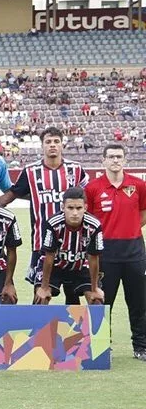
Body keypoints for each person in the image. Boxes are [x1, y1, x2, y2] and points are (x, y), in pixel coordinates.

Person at [0, 127, 87, 302]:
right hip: (41, 243)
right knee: (40, 296)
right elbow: (12, 195)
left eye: (56, 141)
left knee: (73, 296)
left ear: (62, 145)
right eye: (48, 142)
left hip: (74, 243)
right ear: (42, 146)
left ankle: (75, 330)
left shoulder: (76, 169)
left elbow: (87, 197)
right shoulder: (31, 171)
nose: (52, 145)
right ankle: (38, 329)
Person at [84, 144, 146, 361]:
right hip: (105, 253)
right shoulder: (93, 188)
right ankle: (102, 346)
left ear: (125, 159)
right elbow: (89, 220)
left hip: (134, 251)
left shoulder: (138, 185)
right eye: (111, 157)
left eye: (119, 156)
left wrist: (130, 229)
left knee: (138, 302)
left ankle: (141, 347)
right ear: (103, 161)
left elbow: (143, 213)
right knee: (103, 300)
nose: (115, 160)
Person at [34, 187, 104, 306]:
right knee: (41, 299)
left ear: (85, 208)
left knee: (96, 301)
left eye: (79, 208)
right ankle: (38, 324)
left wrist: (95, 288)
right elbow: (49, 257)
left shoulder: (94, 225)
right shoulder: (53, 223)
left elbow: (93, 258)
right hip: (55, 266)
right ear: (63, 208)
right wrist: (44, 287)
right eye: (70, 208)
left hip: (81, 266)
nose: (75, 213)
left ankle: (92, 324)